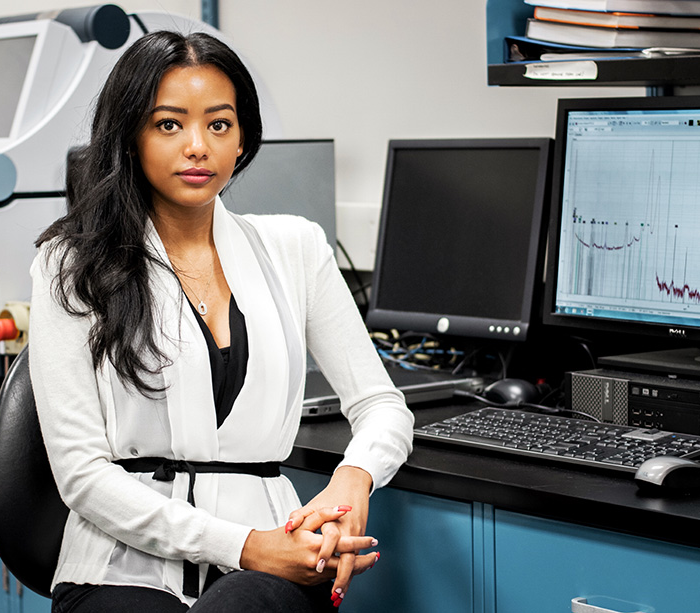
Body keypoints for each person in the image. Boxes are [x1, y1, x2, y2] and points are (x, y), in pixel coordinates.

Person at [28, 29, 414, 613]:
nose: (197, 146)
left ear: (242, 141)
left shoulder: (297, 248)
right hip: (121, 565)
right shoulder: (71, 264)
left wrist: (349, 482)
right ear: (130, 137)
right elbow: (81, 474)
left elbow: (383, 407)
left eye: (218, 124)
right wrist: (246, 546)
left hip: (275, 564)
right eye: (168, 124)